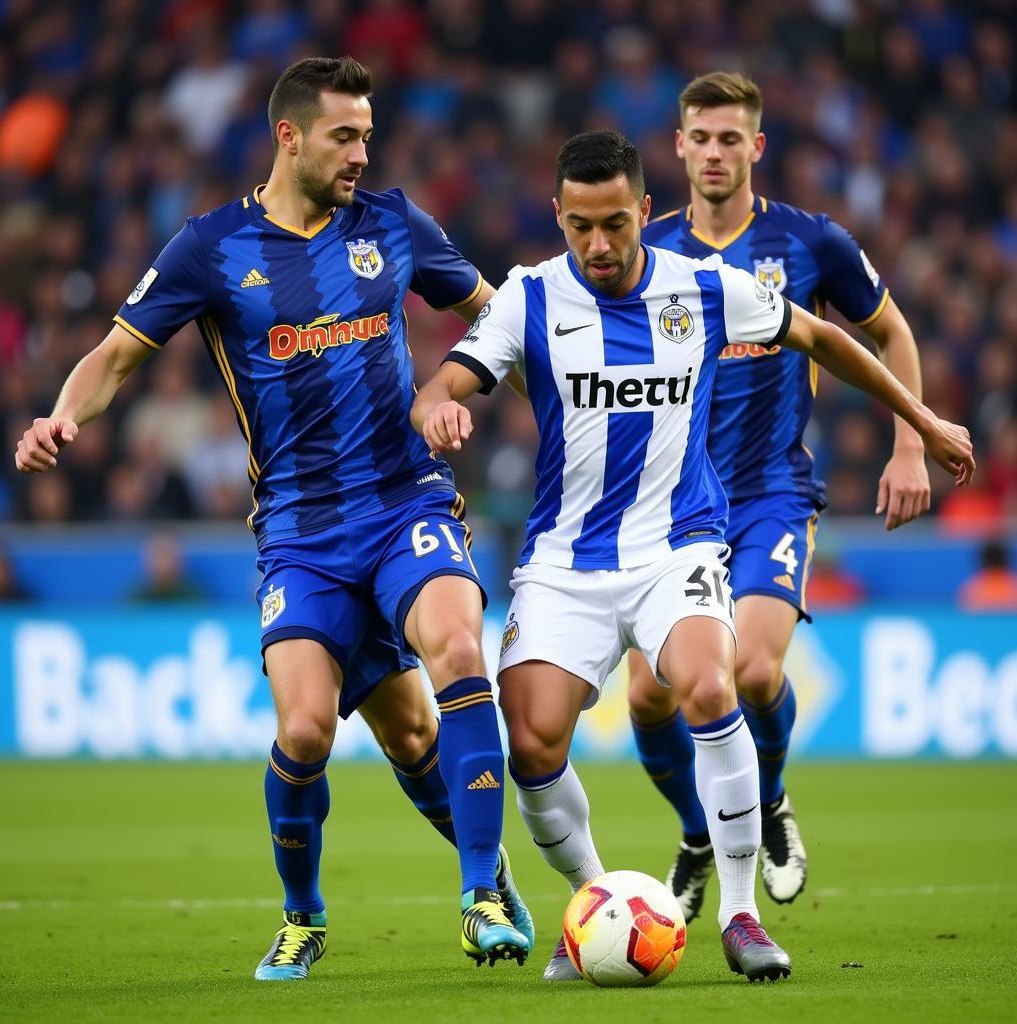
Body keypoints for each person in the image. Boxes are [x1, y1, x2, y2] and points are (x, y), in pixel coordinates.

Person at [411, 130, 974, 984]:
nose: (598, 246)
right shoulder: (529, 296)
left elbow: (825, 339)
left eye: (614, 225)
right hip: (565, 560)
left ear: (644, 211)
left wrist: (922, 423)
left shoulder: (704, 287)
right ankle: (596, 905)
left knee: (714, 684)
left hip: (677, 544)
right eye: (579, 228)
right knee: (529, 743)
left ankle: (742, 915)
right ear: (558, 218)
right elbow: (447, 378)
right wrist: (440, 410)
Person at [14, 56, 532, 979]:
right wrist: (62, 414)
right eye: (344, 135)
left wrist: (493, 389)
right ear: (288, 135)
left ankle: (483, 887)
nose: (362, 153)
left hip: (402, 498)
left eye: (368, 135)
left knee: (459, 646)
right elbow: (115, 358)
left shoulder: (394, 223)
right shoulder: (210, 248)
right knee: (321, 734)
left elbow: (500, 319)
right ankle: (303, 916)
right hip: (299, 530)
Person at [627, 71, 934, 922]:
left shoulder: (810, 242)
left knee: (756, 671)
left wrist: (910, 441)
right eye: (702, 137)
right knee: (650, 698)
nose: (716, 152)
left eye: (733, 139)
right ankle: (698, 833)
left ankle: (769, 801)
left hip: (768, 491)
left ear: (757, 147)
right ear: (679, 146)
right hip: (671, 507)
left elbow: (892, 331)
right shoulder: (648, 252)